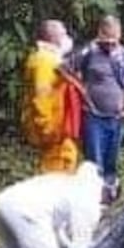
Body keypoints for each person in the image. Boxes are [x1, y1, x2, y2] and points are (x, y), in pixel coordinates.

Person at [75, 15, 124, 205]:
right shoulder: (89, 52)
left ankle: (109, 197)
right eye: (107, 42)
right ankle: (93, 200)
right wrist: (82, 92)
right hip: (94, 115)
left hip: (116, 116)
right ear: (99, 35)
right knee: (94, 161)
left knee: (112, 159)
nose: (111, 46)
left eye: (114, 42)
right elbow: (65, 68)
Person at [20, 19, 84, 173]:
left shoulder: (51, 59)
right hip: (53, 130)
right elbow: (40, 98)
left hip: (60, 129)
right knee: (56, 176)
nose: (67, 38)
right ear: (53, 38)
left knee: (66, 164)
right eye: (63, 34)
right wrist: (47, 129)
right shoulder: (44, 61)